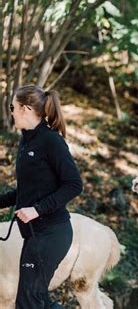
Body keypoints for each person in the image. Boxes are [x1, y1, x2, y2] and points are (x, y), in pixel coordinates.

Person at [0, 85, 83, 308]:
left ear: (26, 109)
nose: (11, 112)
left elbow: (74, 184)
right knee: (32, 300)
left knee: (30, 300)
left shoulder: (51, 141)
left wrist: (37, 209)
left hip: (52, 233)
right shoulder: (26, 141)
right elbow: (28, 190)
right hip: (35, 234)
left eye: (13, 107)